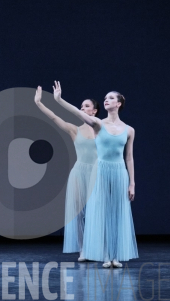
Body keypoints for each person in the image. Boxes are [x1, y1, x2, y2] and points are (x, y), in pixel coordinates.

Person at [53, 81, 138, 268]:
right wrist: (59, 100)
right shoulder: (98, 124)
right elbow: (77, 112)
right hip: (101, 171)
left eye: (111, 98)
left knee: (118, 213)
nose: (106, 100)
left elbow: (129, 158)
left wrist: (132, 183)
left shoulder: (129, 130)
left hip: (119, 173)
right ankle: (107, 255)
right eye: (105, 98)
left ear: (119, 104)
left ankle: (115, 255)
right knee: (103, 212)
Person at [34, 86, 99, 261]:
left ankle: (99, 248)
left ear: (94, 111)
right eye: (81, 106)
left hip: (97, 173)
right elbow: (55, 117)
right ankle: (83, 250)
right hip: (79, 172)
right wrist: (39, 103)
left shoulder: (102, 128)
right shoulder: (74, 129)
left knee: (97, 212)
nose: (82, 108)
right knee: (78, 213)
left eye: (86, 106)